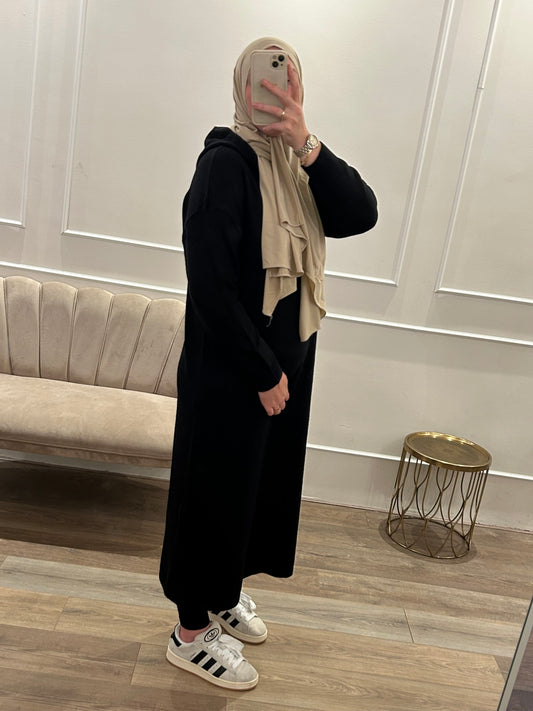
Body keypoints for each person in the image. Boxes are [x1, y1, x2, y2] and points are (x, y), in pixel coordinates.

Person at [159, 36, 378, 691]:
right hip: (232, 376)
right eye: (266, 82)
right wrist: (262, 373)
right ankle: (189, 633)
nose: (277, 94)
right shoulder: (223, 165)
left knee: (252, 495)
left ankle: (223, 593)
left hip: (282, 376)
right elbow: (211, 288)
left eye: (289, 84)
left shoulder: (294, 164)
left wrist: (305, 140)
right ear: (242, 86)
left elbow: (360, 213)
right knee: (210, 495)